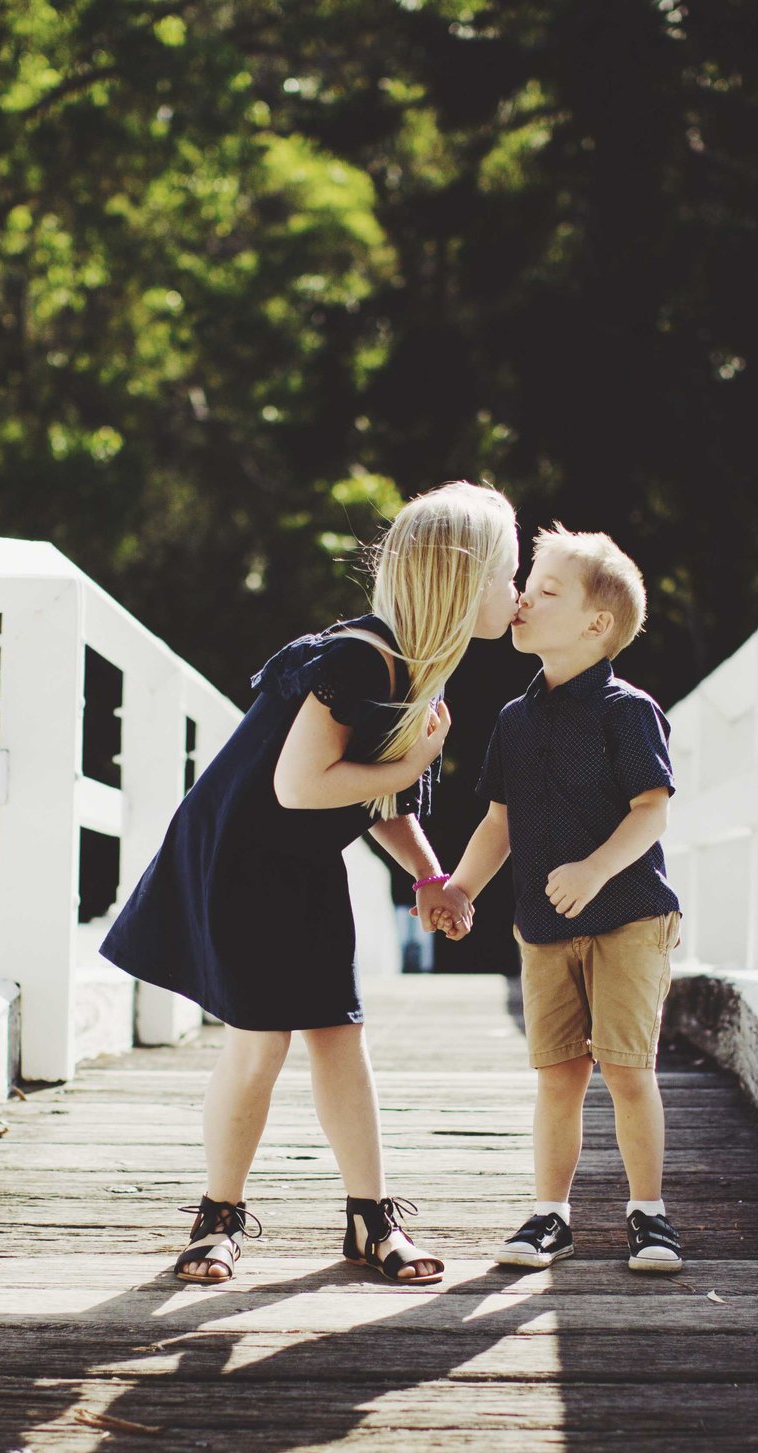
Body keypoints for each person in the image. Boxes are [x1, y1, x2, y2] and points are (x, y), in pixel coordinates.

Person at [102, 481, 521, 1285]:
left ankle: (370, 1219)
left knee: (340, 1036)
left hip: (302, 865)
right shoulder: (363, 657)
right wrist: (417, 760)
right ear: (460, 581)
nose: (516, 591)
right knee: (261, 1044)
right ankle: (217, 1216)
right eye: (506, 573)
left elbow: (374, 797)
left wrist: (432, 875)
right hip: (241, 863)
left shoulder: (414, 672)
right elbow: (302, 784)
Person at [425, 527, 685, 1273]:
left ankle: (649, 1214)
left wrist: (596, 869)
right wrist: (461, 885)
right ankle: (551, 1216)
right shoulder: (514, 718)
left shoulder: (627, 710)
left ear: (595, 624)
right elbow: (500, 821)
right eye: (526, 585)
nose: (523, 599)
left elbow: (651, 809)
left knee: (628, 1069)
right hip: (542, 928)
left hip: (629, 915)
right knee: (558, 1076)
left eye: (545, 590)